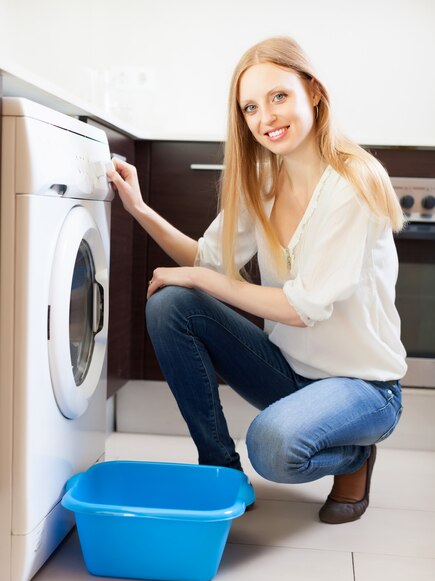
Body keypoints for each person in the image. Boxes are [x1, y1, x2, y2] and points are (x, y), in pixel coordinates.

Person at [106, 36, 406, 524]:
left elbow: (303, 309)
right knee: (171, 303)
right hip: (290, 372)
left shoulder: (353, 183)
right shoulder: (263, 181)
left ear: (312, 91)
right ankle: (219, 472)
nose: (265, 117)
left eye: (278, 97)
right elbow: (208, 260)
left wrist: (200, 278)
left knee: (273, 449)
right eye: (250, 107)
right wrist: (138, 208)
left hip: (364, 388)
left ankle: (356, 457)